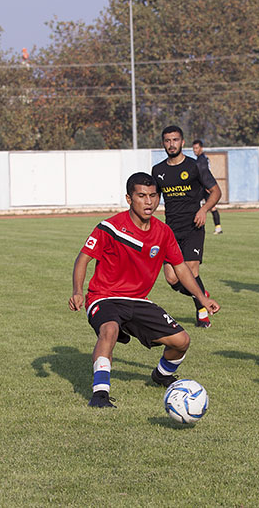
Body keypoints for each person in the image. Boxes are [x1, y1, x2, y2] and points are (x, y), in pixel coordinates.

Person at [69, 172, 220, 408]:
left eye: (153, 196)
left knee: (181, 341)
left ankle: (161, 375)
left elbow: (180, 269)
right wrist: (78, 291)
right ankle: (100, 394)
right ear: (129, 199)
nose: (149, 202)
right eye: (142, 196)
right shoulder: (110, 227)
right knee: (109, 330)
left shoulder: (163, 232)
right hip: (104, 297)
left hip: (138, 300)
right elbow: (83, 258)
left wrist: (202, 298)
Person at [152, 126, 222, 327]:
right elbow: (155, 198)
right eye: (167, 140)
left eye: (175, 140)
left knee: (191, 271)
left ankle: (202, 314)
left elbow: (216, 192)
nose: (171, 144)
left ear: (182, 142)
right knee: (172, 278)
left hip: (193, 226)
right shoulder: (158, 170)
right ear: (163, 143)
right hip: (170, 230)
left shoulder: (195, 166)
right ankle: (202, 295)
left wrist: (204, 210)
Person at [192, 139, 223, 235]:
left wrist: (207, 185)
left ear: (201, 148)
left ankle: (218, 228)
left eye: (197, 148)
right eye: (193, 148)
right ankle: (217, 228)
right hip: (203, 187)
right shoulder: (200, 159)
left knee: (211, 207)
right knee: (207, 207)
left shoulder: (202, 160)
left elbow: (204, 174)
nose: (195, 150)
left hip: (204, 187)